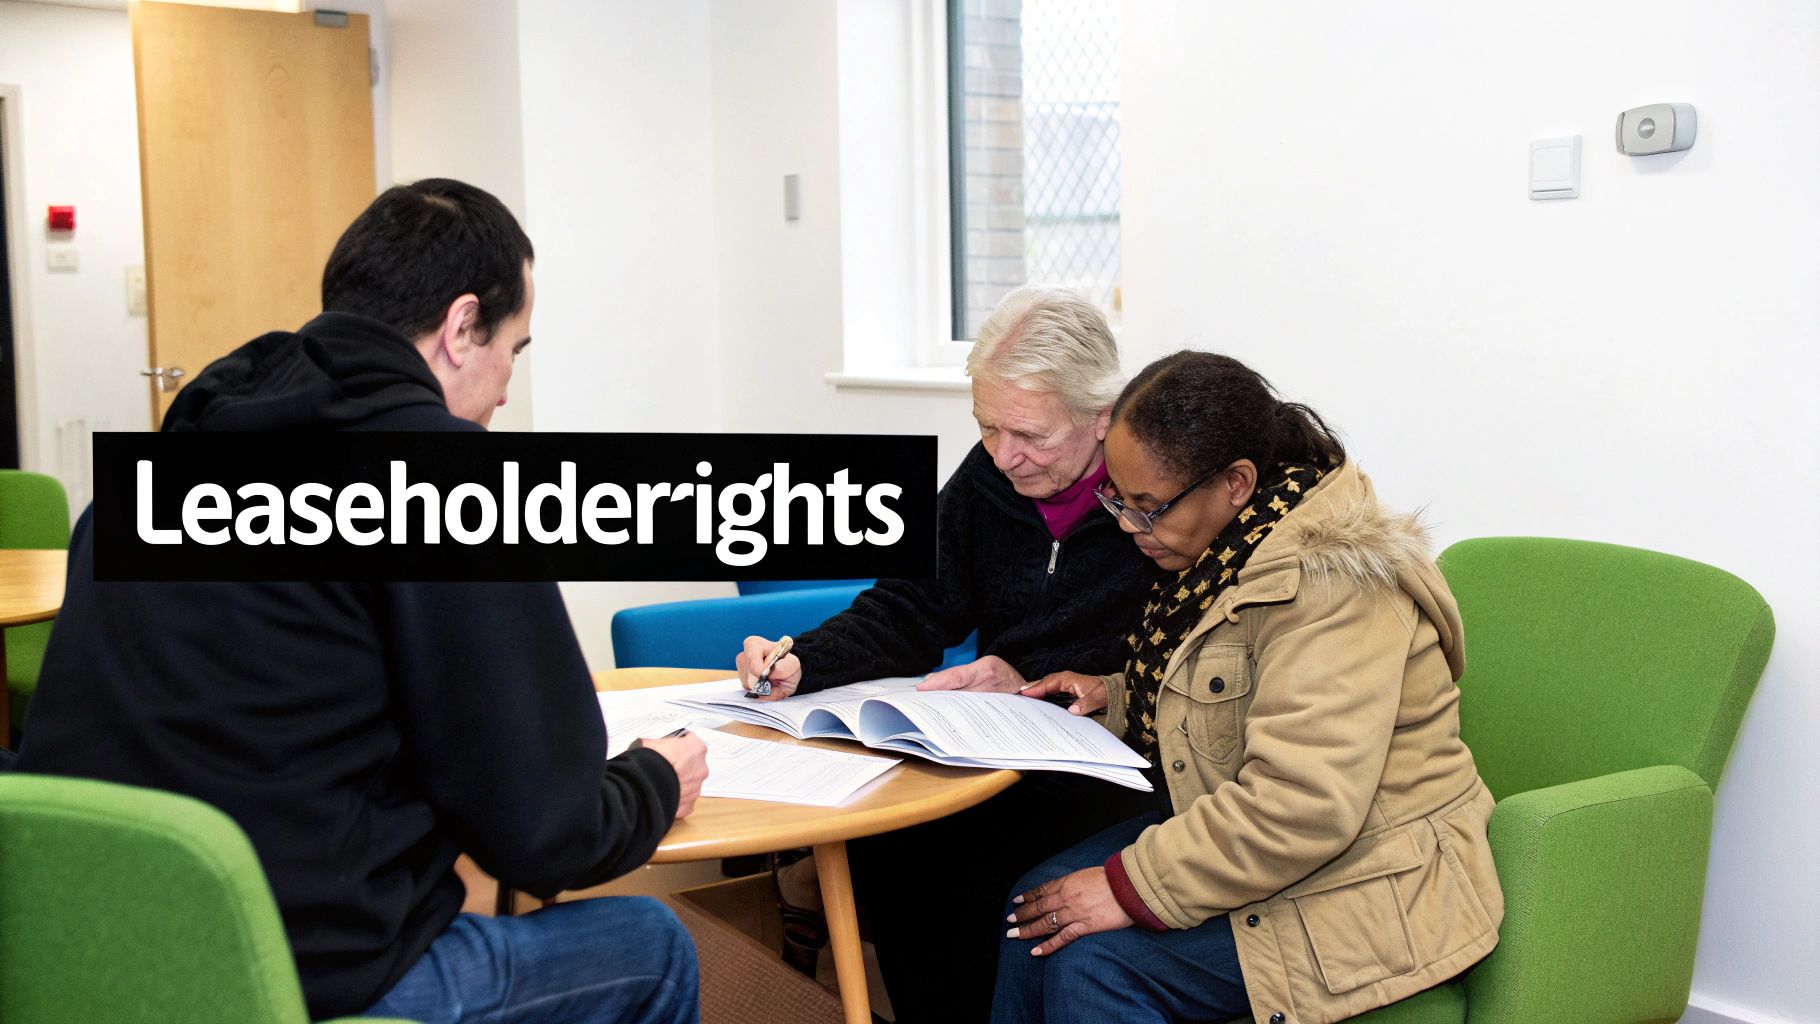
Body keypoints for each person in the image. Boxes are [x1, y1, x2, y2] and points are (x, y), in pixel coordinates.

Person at [16, 179, 707, 1024]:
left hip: (80, 956)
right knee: (652, 945)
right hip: (297, 985)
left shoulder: (155, 474)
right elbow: (541, 836)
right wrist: (650, 784)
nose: (502, 393)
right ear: (460, 329)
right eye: (513, 353)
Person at [999, 350, 1503, 1024]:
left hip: (1373, 879)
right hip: (1276, 844)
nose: (1127, 525)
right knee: (1034, 907)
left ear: (1235, 482)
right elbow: (1236, 683)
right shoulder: (1232, 544)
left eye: (1147, 508)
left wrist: (1130, 886)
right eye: (1117, 498)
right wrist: (1117, 694)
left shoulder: (1335, 584)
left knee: (1091, 958)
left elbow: (1304, 803)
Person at [734, 287, 1160, 1022]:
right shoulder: (989, 478)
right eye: (986, 426)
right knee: (887, 838)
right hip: (1001, 743)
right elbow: (910, 605)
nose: (1004, 454)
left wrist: (1046, 681)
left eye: (1028, 433)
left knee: (961, 863)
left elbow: (1185, 662)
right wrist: (805, 658)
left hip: (1115, 753)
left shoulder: (1158, 499)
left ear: (1102, 417)